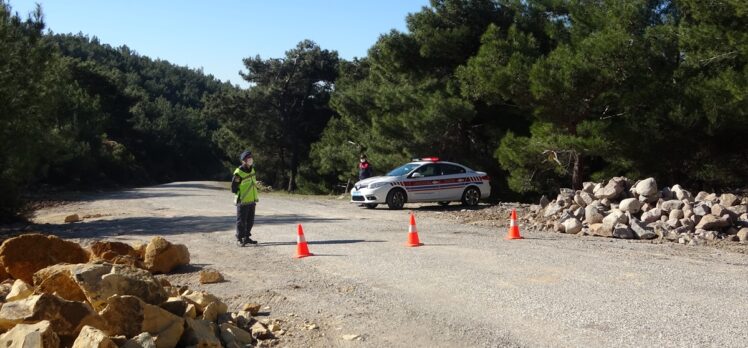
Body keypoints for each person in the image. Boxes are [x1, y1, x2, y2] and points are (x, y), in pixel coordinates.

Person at [232, 150, 259, 246]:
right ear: (243, 160)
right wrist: (242, 194)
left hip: (252, 200)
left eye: (251, 157)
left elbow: (253, 183)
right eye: (248, 158)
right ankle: (239, 238)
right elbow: (234, 187)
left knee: (250, 221)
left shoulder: (252, 169)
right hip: (242, 200)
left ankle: (247, 237)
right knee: (241, 221)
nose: (250, 159)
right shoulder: (238, 172)